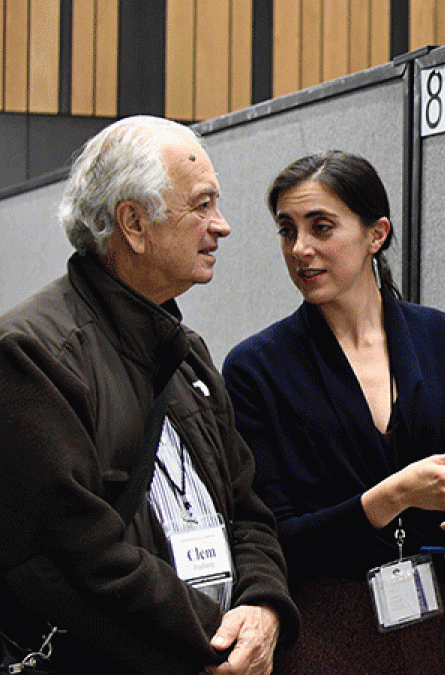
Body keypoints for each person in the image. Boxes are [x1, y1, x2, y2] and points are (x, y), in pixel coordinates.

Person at [0, 116, 299, 674]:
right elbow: (75, 556)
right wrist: (214, 638)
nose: (222, 225)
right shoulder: (34, 353)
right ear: (134, 224)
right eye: (202, 205)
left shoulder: (186, 353)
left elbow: (250, 510)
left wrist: (262, 607)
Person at [222, 150, 445, 673]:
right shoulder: (255, 368)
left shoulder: (444, 340)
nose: (301, 249)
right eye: (287, 230)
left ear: (375, 235)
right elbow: (275, 540)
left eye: (322, 227)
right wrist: (395, 494)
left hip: (434, 623)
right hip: (322, 628)